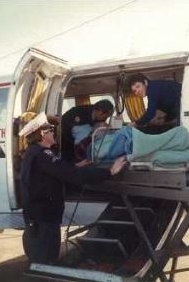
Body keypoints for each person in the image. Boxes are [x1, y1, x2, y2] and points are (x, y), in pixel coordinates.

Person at [18, 112, 126, 265]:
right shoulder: (43, 155)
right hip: (44, 219)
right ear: (42, 134)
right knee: (45, 262)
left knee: (42, 260)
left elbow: (56, 171)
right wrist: (109, 172)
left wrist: (73, 166)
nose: (53, 133)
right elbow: (74, 175)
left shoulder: (34, 153)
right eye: (50, 130)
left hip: (39, 217)